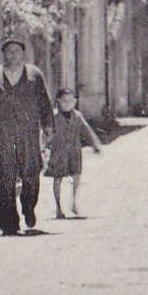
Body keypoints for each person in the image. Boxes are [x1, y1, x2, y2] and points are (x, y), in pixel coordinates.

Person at [0, 38, 54, 236]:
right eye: (9, 51)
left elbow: (44, 102)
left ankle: (28, 207)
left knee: (31, 173)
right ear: (4, 54)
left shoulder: (34, 75)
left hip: (28, 132)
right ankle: (9, 222)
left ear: (22, 54)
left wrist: (48, 125)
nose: (13, 54)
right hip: (3, 132)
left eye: (17, 51)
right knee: (5, 176)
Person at [46, 88, 102, 219]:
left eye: (71, 101)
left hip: (74, 152)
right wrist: (43, 148)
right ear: (59, 101)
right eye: (65, 101)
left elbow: (87, 130)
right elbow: (46, 134)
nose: (68, 103)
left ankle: (74, 203)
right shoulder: (54, 117)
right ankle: (58, 207)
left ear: (75, 102)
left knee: (76, 175)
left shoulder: (77, 116)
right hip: (58, 152)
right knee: (58, 178)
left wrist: (95, 145)